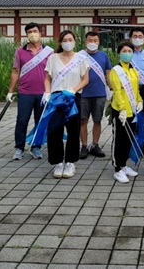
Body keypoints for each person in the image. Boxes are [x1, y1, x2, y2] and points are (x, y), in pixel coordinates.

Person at [44, 30, 89, 179]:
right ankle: (57, 162)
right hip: (56, 98)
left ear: (75, 41)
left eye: (70, 39)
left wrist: (74, 89)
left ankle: (70, 162)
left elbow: (85, 79)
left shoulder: (81, 58)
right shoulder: (53, 58)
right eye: (65, 40)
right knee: (54, 131)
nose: (68, 42)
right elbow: (47, 78)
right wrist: (47, 92)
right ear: (60, 42)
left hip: (73, 97)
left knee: (73, 130)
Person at [7, 23, 53, 161]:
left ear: (40, 33)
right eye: (29, 32)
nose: (32, 34)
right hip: (25, 92)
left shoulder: (49, 52)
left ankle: (36, 147)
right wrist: (10, 91)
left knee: (40, 121)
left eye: (35, 31)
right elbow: (16, 71)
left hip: (43, 93)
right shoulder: (20, 52)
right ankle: (19, 148)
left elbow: (53, 72)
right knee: (22, 120)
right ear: (26, 35)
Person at [109, 40, 141, 183]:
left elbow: (136, 90)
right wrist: (121, 108)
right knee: (119, 140)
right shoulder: (116, 71)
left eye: (130, 51)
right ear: (119, 53)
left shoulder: (134, 70)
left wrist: (140, 101)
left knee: (128, 140)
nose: (127, 54)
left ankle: (124, 165)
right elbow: (117, 91)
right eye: (124, 51)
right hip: (120, 112)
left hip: (132, 111)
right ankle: (117, 168)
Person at [79, 31, 112, 159]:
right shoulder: (79, 56)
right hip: (83, 93)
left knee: (97, 120)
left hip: (99, 93)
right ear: (85, 42)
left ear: (99, 42)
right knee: (83, 120)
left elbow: (108, 73)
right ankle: (84, 146)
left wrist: (111, 88)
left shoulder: (104, 56)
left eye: (95, 41)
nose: (92, 43)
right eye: (90, 40)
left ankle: (95, 145)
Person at [130, 27, 144, 158]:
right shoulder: (126, 52)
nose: (137, 38)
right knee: (130, 119)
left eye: (140, 36)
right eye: (135, 36)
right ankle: (130, 147)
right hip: (129, 90)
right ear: (131, 38)